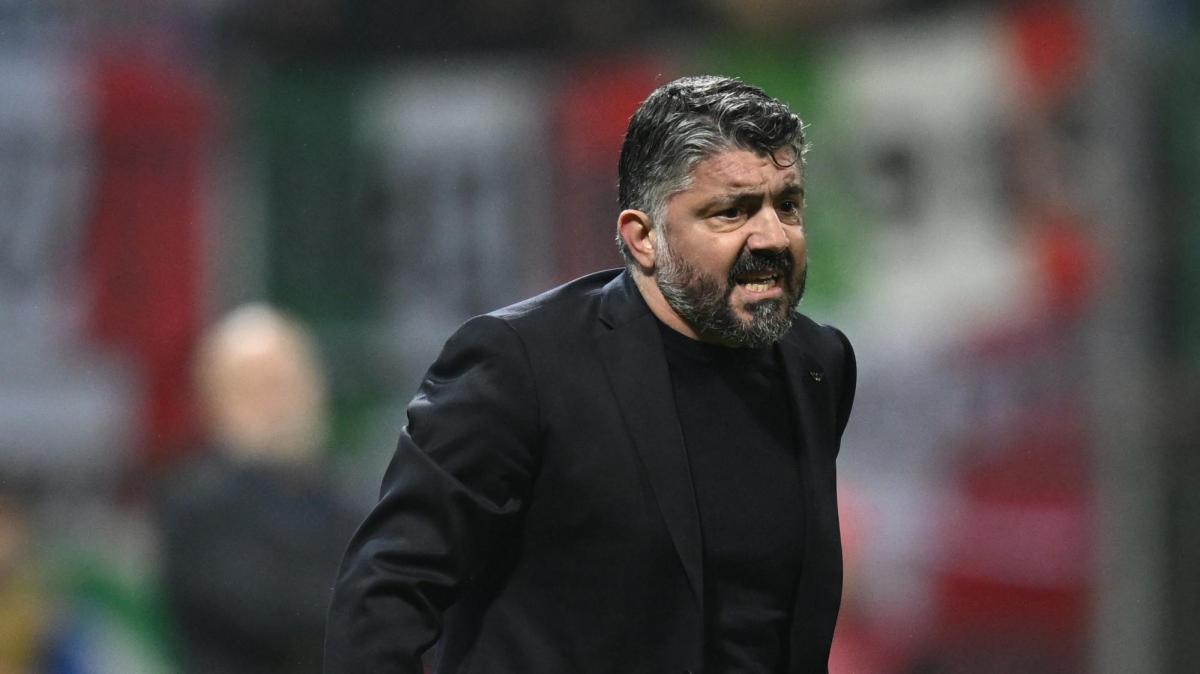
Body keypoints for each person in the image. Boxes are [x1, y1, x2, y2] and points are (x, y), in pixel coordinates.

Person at [325, 75, 856, 674]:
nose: (773, 237)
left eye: (787, 205)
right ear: (643, 237)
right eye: (732, 212)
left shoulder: (817, 364)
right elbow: (386, 591)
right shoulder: (522, 364)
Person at [157, 305, 361, 674]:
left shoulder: (354, 499)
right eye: (257, 387)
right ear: (213, 402)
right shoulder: (195, 505)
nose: (279, 404)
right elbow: (266, 612)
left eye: (289, 382)